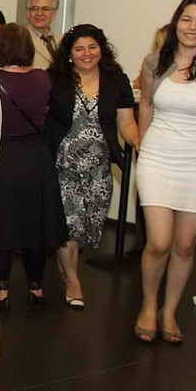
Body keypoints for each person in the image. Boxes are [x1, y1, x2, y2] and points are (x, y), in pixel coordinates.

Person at [44, 24, 139, 310]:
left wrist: (141, 144)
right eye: (79, 49)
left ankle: (68, 266)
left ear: (102, 48)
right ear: (70, 54)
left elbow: (126, 123)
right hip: (63, 164)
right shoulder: (55, 79)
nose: (87, 54)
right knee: (69, 226)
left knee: (87, 228)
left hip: (99, 167)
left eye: (92, 47)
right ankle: (73, 281)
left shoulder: (116, 79)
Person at [134, 0, 196, 344]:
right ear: (176, 20)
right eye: (187, 19)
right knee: (159, 242)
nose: (192, 27)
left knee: (184, 246)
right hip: (157, 159)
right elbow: (146, 105)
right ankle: (149, 306)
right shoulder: (154, 62)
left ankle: (169, 311)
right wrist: (143, 146)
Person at [0, 24, 66, 311]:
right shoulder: (43, 78)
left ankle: (1, 290)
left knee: (0, 225)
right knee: (36, 225)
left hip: (2, 158)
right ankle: (36, 287)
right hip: (36, 158)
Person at [25, 0, 59, 69]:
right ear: (28, 13)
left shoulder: (61, 42)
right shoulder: (18, 40)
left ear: (54, 13)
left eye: (45, 9)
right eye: (34, 8)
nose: (39, 13)